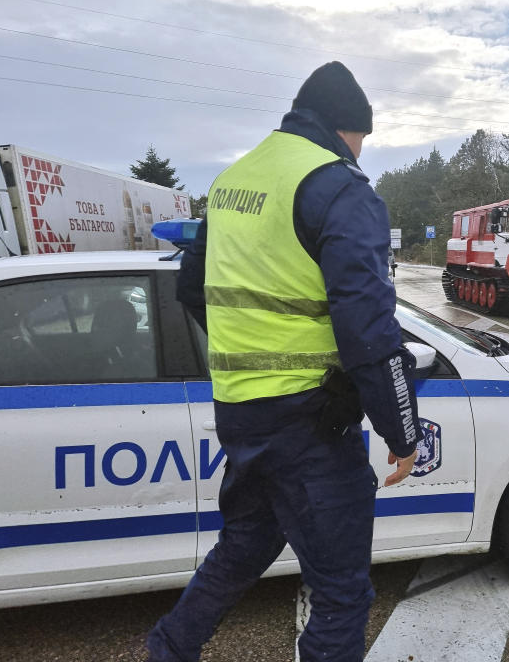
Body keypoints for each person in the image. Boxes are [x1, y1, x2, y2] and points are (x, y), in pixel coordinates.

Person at [147, 61, 422, 662]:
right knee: (342, 595)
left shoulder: (231, 182)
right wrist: (403, 431)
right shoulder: (338, 187)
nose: (360, 152)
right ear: (348, 128)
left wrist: (246, 356)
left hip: (241, 416)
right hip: (311, 426)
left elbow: (192, 290)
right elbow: (370, 329)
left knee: (243, 546)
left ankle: (168, 649)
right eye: (362, 139)